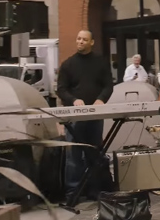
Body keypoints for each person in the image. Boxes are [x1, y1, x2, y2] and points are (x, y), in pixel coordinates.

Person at [56, 30, 114, 202]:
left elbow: (108, 85)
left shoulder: (101, 63)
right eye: (78, 38)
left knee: (94, 152)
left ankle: (94, 189)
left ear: (92, 42)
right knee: (73, 154)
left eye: (84, 39)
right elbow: (61, 89)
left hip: (95, 114)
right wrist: (73, 100)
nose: (80, 42)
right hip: (75, 116)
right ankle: (73, 192)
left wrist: (101, 99)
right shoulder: (68, 65)